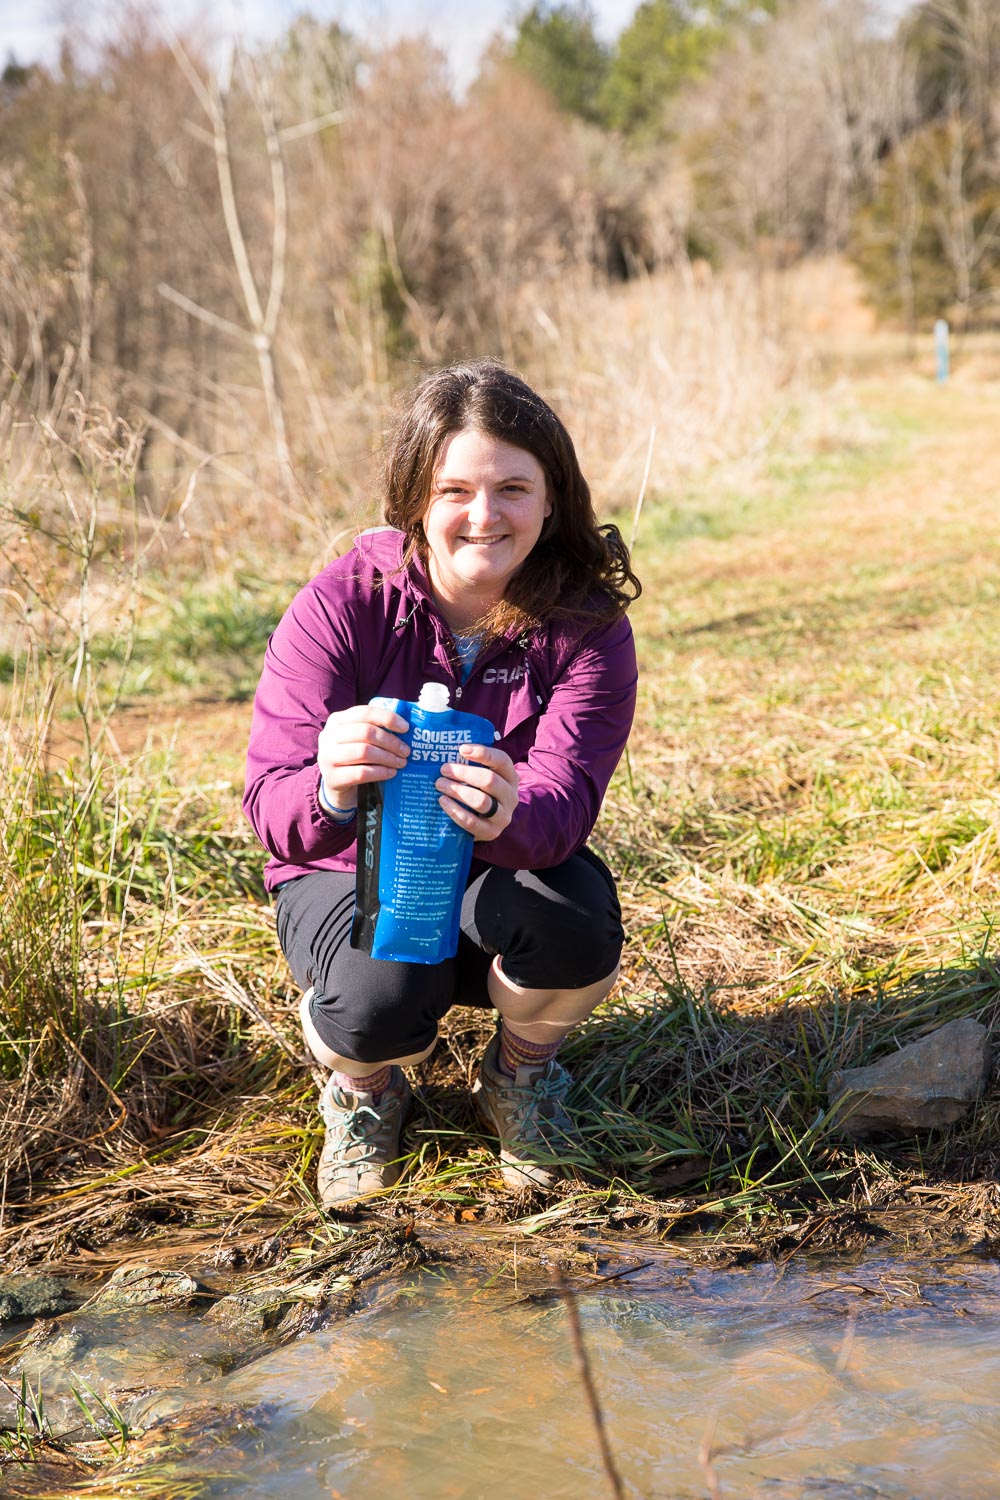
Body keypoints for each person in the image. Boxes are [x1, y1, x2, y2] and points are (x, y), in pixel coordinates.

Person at [244, 359, 640, 1208]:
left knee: (575, 926)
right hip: (346, 877)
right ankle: (365, 1092)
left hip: (495, 879)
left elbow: (567, 804)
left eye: (513, 489)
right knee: (376, 1003)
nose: (484, 516)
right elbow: (271, 805)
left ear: (552, 498)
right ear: (414, 499)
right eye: (455, 490)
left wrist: (510, 810)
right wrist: (331, 788)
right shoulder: (339, 606)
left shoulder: (587, 627)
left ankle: (521, 1078)